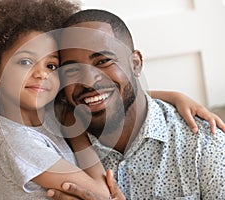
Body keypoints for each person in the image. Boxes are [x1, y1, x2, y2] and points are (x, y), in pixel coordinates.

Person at [0, 1, 224, 199]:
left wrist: (173, 96)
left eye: (50, 66)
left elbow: (116, 92)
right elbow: (98, 192)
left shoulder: (52, 112)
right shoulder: (16, 140)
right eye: (24, 62)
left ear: (136, 65)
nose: (41, 75)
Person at [47, 9, 225, 199]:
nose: (88, 82)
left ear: (136, 64)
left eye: (103, 61)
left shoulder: (203, 144)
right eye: (72, 70)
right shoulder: (52, 150)